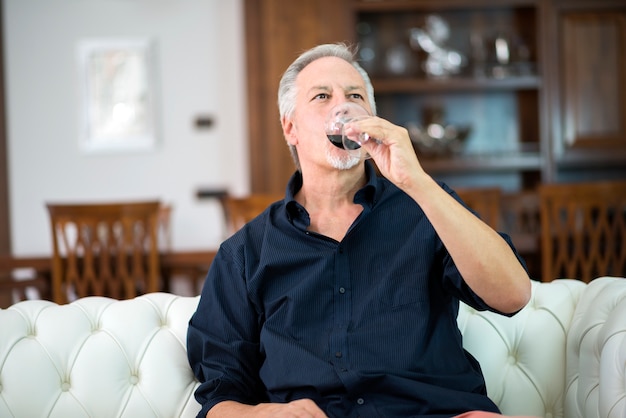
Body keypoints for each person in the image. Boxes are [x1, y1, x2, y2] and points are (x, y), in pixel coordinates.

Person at [187, 42, 533, 418]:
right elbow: (219, 393)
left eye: (355, 96)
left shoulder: (425, 207)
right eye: (322, 96)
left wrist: (415, 179)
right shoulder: (245, 253)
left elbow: (512, 295)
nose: (342, 107)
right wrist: (263, 414)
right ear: (291, 128)